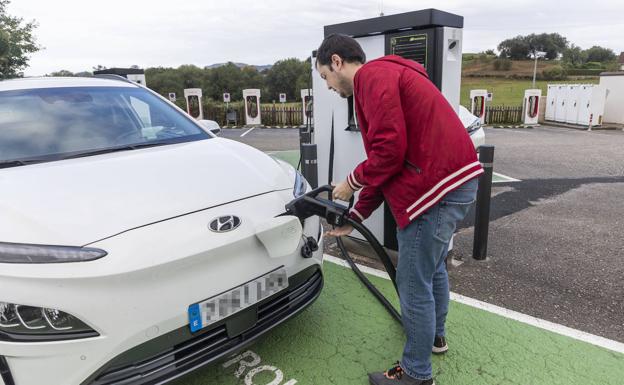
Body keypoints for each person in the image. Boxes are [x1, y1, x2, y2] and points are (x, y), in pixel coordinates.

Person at [316, 34, 483, 385]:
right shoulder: (387, 76)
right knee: (432, 268)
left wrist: (350, 182)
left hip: (435, 190)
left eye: (325, 78)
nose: (328, 87)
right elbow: (387, 162)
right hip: (453, 182)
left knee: (412, 283)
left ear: (336, 62)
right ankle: (434, 337)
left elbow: (388, 153)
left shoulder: (372, 79)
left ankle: (415, 374)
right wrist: (355, 217)